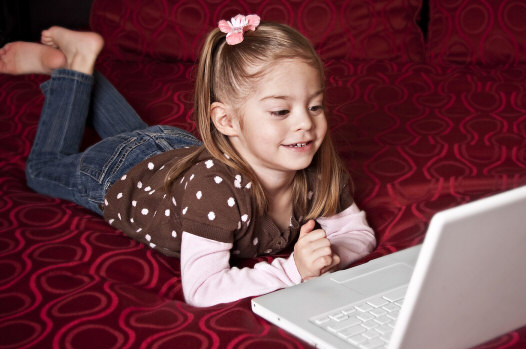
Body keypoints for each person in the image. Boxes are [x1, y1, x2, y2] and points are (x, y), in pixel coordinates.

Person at [0, 15, 376, 307]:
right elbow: (202, 289)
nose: (305, 124)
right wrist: (294, 270)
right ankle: (72, 68)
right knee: (43, 168)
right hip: (120, 172)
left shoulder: (316, 168)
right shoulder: (216, 189)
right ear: (226, 121)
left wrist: (330, 258)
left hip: (175, 148)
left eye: (315, 106)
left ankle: (76, 63)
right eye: (280, 110)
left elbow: (357, 234)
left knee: (140, 137)